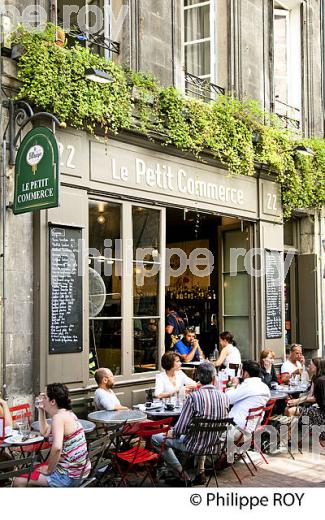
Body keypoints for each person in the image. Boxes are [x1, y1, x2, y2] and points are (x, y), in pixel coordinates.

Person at [151, 362, 229, 486]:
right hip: (216, 443)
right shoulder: (224, 397)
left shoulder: (193, 397)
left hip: (195, 445)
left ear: (198, 378)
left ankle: (182, 475)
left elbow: (179, 430)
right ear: (214, 379)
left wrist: (171, 432)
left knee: (156, 438)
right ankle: (200, 472)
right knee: (202, 432)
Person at [14, 383, 90, 487]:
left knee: (18, 481)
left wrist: (49, 469)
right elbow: (45, 432)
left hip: (68, 476)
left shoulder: (58, 418)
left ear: (53, 401)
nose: (41, 398)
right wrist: (41, 410)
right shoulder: (67, 414)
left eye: (44, 397)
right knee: (35, 468)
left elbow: (57, 447)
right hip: (80, 472)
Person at [226, 360, 271, 439]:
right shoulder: (264, 387)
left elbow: (227, 399)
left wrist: (233, 386)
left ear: (246, 373)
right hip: (253, 427)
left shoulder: (248, 386)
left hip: (237, 430)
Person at [302, 375, 325, 445]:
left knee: (290, 410)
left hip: (321, 413)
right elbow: (311, 395)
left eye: (311, 364)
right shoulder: (317, 379)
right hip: (318, 409)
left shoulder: (321, 380)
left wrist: (299, 400)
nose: (309, 366)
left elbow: (315, 398)